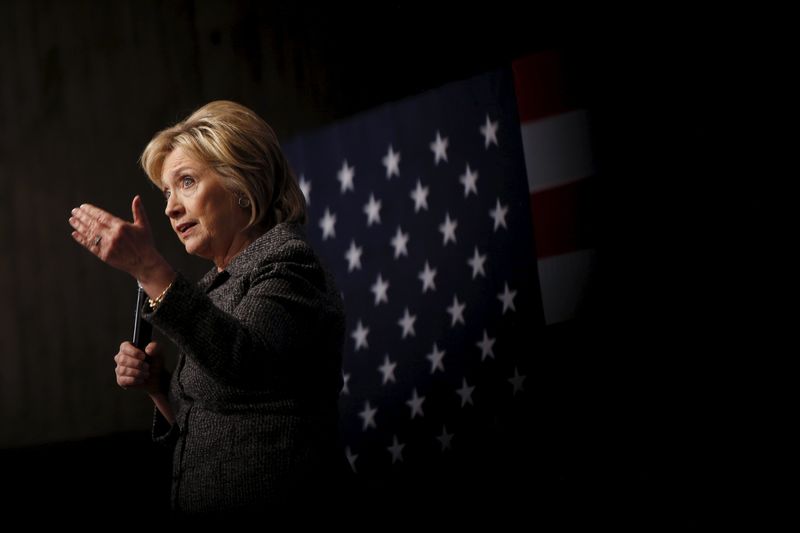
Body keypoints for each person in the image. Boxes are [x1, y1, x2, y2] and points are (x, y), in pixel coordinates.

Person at [68, 100, 346, 515]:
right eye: (166, 192)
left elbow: (244, 364)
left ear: (240, 183)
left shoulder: (290, 265)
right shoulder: (215, 287)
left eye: (186, 182)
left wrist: (148, 267)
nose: (170, 207)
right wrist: (160, 390)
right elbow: (217, 422)